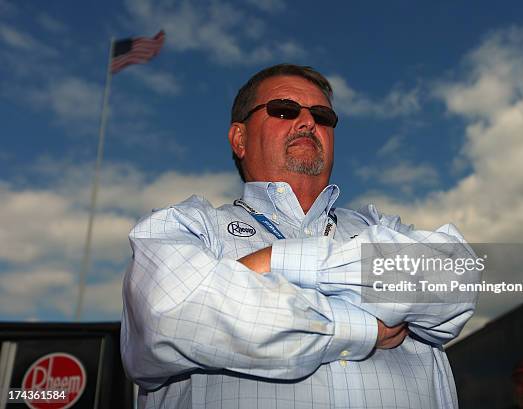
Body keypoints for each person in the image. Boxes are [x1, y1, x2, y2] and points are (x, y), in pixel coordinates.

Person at [121, 63, 478, 409]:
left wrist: (276, 261)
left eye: (323, 117)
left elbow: (458, 280)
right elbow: (170, 316)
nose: (308, 122)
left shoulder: (382, 226)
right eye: (284, 110)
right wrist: (360, 327)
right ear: (239, 138)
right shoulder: (187, 227)